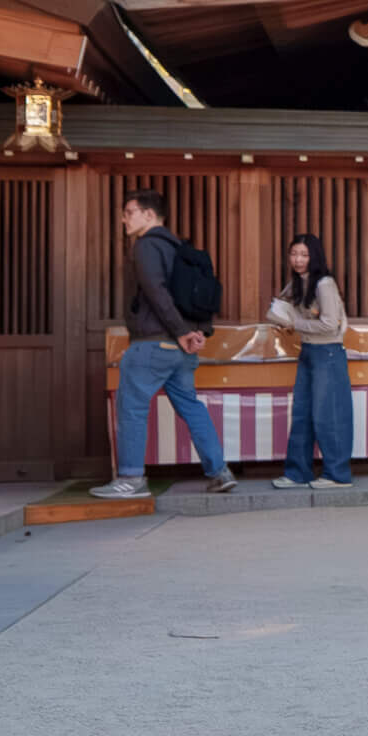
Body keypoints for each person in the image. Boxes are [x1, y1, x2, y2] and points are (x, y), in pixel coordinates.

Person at [93, 188, 238, 501]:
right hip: (182, 351)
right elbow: (196, 295)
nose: (123, 219)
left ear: (148, 215)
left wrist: (181, 331)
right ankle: (219, 472)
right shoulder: (181, 250)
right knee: (191, 407)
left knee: (131, 407)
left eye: (128, 212)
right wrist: (198, 332)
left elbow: (157, 292)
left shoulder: (147, 246)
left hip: (153, 345)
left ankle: (131, 478)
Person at [267, 233, 353, 490]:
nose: (298, 259)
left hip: (328, 352)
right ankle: (297, 473)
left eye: (304, 254)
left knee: (328, 414)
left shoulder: (324, 283)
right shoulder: (297, 283)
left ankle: (338, 475)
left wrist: (293, 323)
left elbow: (329, 324)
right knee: (302, 413)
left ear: (314, 256)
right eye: (294, 254)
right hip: (308, 352)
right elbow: (280, 305)